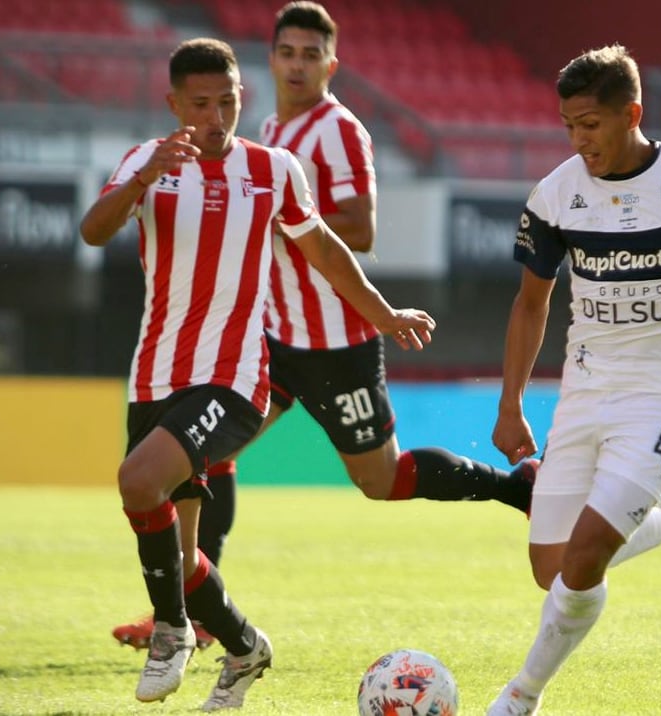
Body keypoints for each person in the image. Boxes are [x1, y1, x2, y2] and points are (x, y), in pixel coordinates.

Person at [111, 0, 542, 650]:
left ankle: (516, 489)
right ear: (270, 60)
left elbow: (361, 229)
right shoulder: (262, 130)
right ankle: (193, 609)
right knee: (204, 453)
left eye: (311, 55)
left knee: (381, 480)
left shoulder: (337, 130)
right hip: (273, 337)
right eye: (287, 52)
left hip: (336, 343)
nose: (297, 65)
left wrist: (268, 221)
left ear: (330, 65)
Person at [79, 37, 435, 710]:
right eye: (200, 105)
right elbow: (94, 231)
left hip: (234, 378)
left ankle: (171, 634)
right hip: (155, 378)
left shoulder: (273, 169)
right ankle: (245, 649)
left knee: (137, 480)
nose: (216, 118)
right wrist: (143, 178)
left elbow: (325, 248)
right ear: (174, 104)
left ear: (243, 97)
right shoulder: (145, 163)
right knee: (181, 552)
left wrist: (383, 314)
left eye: (228, 101)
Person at [486, 44, 661, 715]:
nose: (579, 139)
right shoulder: (555, 195)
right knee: (552, 569)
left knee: (584, 558)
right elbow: (531, 304)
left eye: (590, 124)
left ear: (632, 114)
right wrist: (510, 403)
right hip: (585, 391)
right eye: (569, 125)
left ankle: (520, 698)